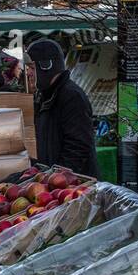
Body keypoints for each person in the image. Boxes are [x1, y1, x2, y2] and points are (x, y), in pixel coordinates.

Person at [30, 39, 98, 177]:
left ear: (46, 66)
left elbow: (78, 146)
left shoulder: (71, 96)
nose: (28, 74)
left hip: (73, 185)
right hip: (54, 182)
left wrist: (57, 178)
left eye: (31, 68)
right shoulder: (44, 96)